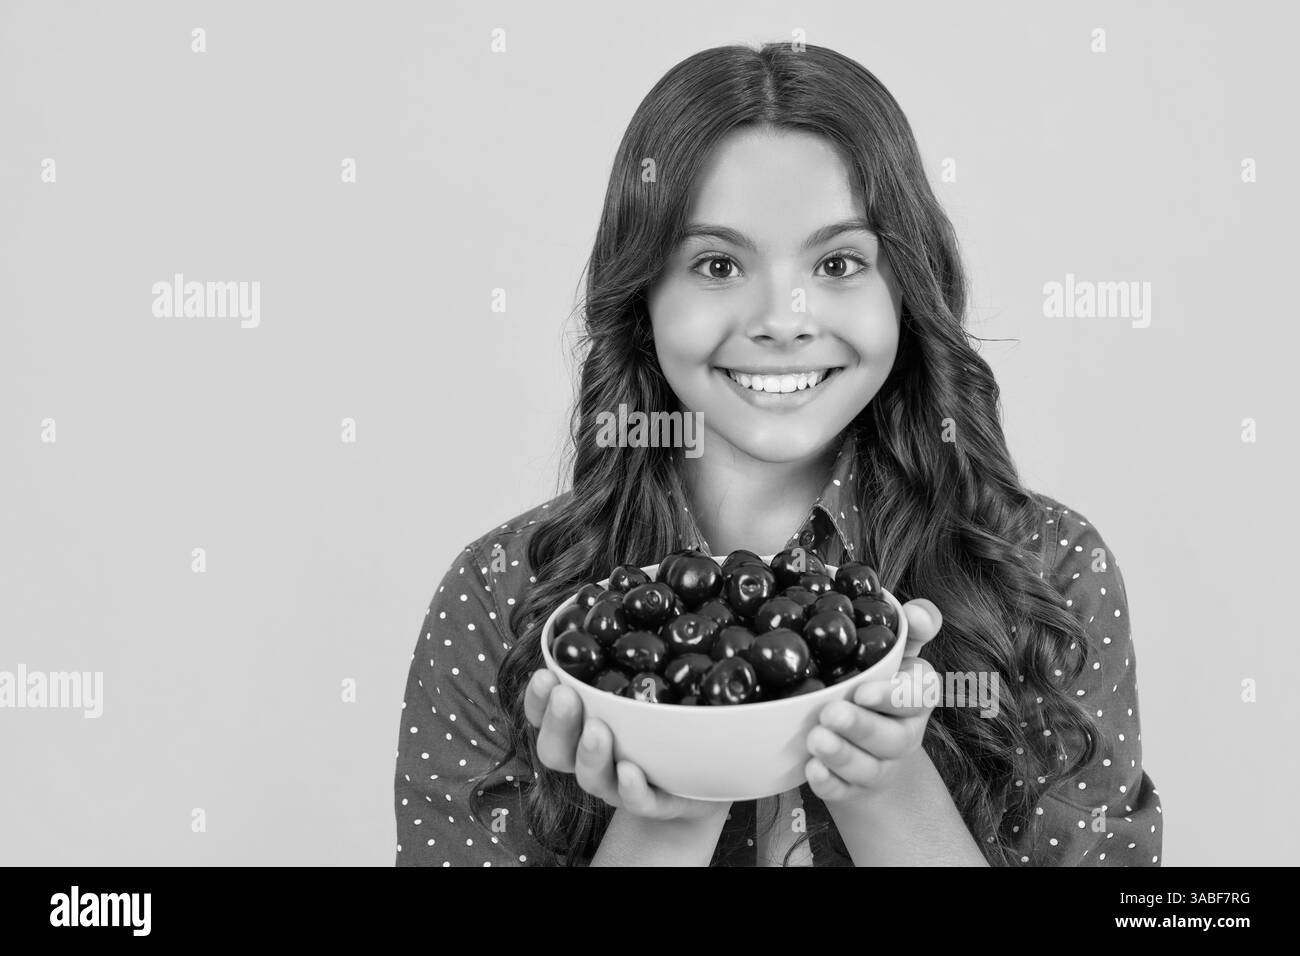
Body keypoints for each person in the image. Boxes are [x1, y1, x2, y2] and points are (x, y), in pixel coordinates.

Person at [394, 41, 1162, 866]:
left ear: (905, 287)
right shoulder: (501, 597)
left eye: (837, 262)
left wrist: (887, 789)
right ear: (643, 294)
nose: (783, 319)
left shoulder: (1046, 573)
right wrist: (666, 812)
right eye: (718, 264)